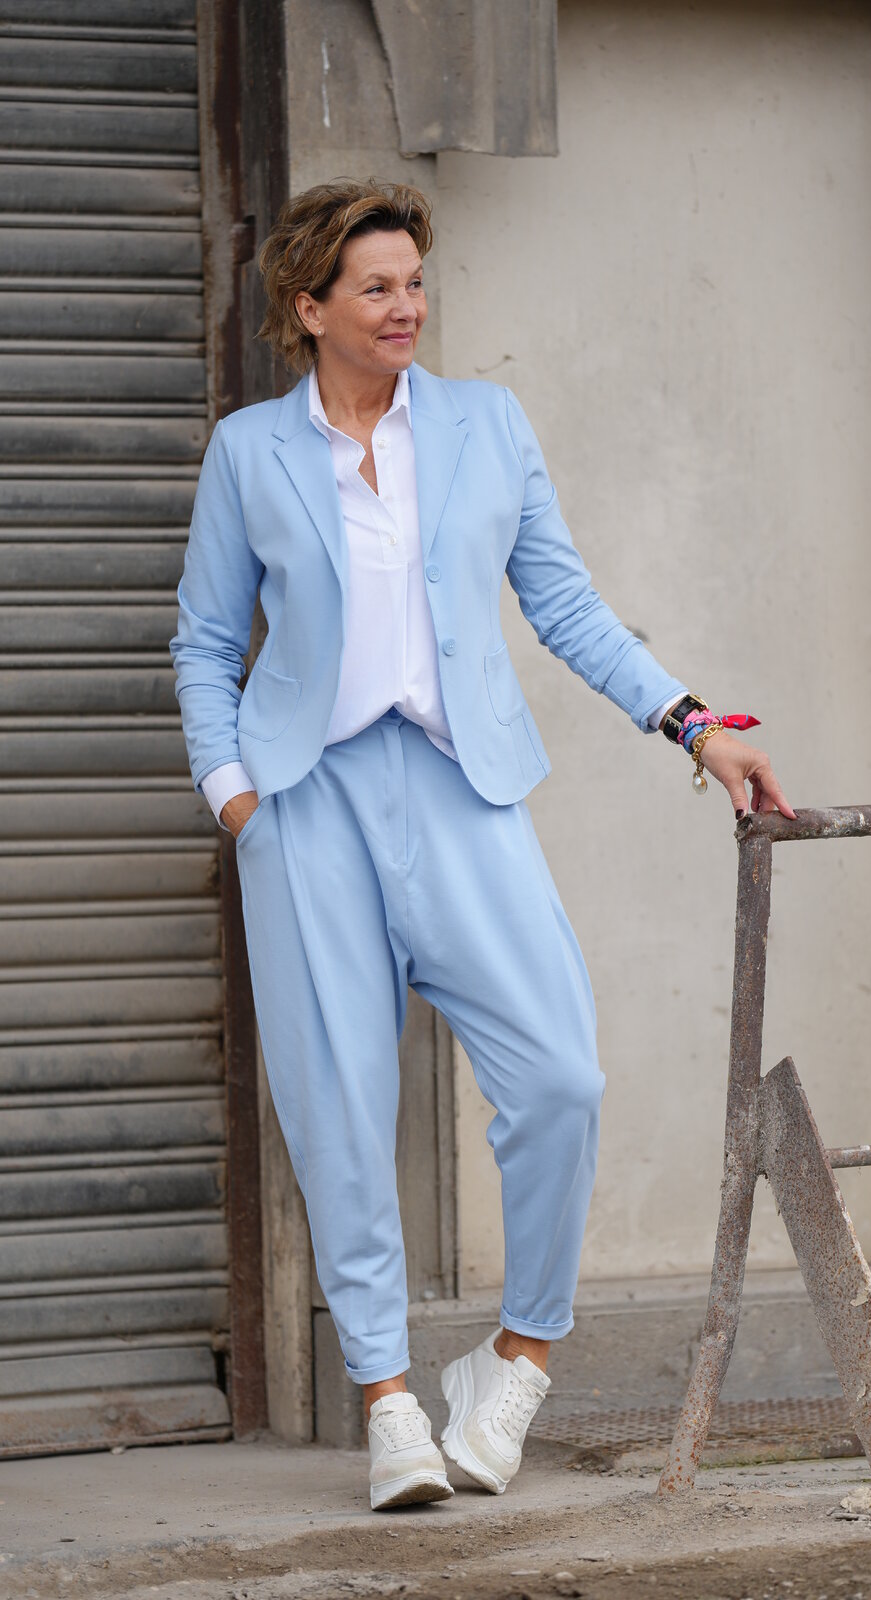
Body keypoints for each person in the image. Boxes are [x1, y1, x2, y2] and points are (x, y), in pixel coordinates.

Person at [170, 178, 794, 1512]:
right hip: (306, 803)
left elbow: (563, 601)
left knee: (560, 1075)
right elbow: (207, 641)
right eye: (377, 287)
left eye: (414, 282)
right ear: (310, 307)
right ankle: (389, 1400)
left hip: (463, 788)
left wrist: (693, 726)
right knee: (340, 1105)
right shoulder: (250, 453)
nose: (407, 306)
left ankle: (517, 1357)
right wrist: (236, 798)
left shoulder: (485, 425)